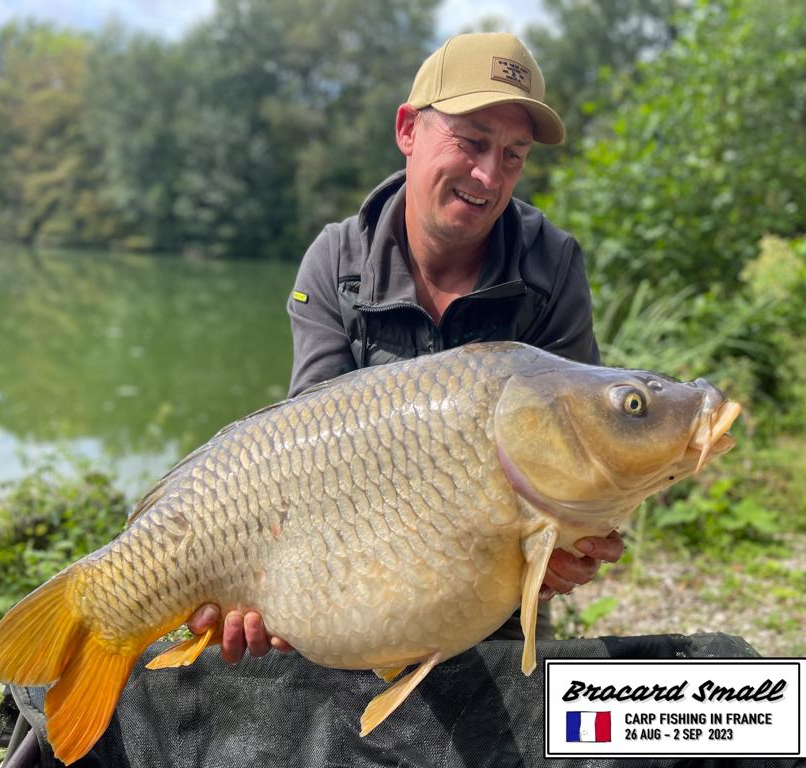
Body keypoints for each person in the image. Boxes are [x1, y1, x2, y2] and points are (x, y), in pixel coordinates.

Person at [187, 32, 624, 662]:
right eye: (471, 142)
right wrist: (274, 591)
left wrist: (568, 545)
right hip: (349, 586)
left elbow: (578, 452)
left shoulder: (550, 264)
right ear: (408, 130)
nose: (489, 175)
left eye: (513, 154)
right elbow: (304, 467)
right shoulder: (336, 262)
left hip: (490, 598)